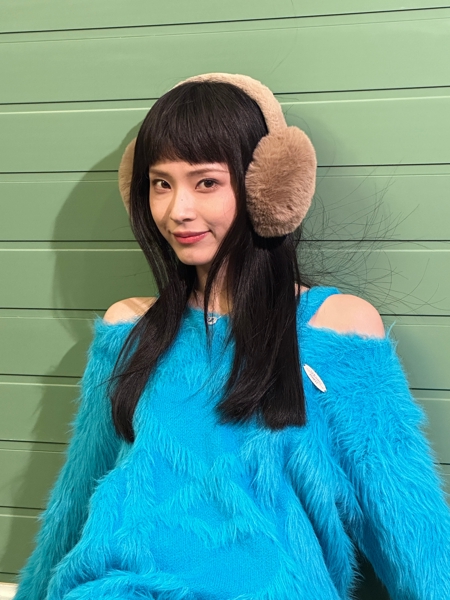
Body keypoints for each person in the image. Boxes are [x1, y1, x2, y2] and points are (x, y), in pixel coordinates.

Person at [14, 73, 450, 600]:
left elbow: (408, 524)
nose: (177, 210)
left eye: (206, 183)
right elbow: (77, 495)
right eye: (160, 183)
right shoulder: (129, 329)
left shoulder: (335, 327)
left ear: (268, 186)